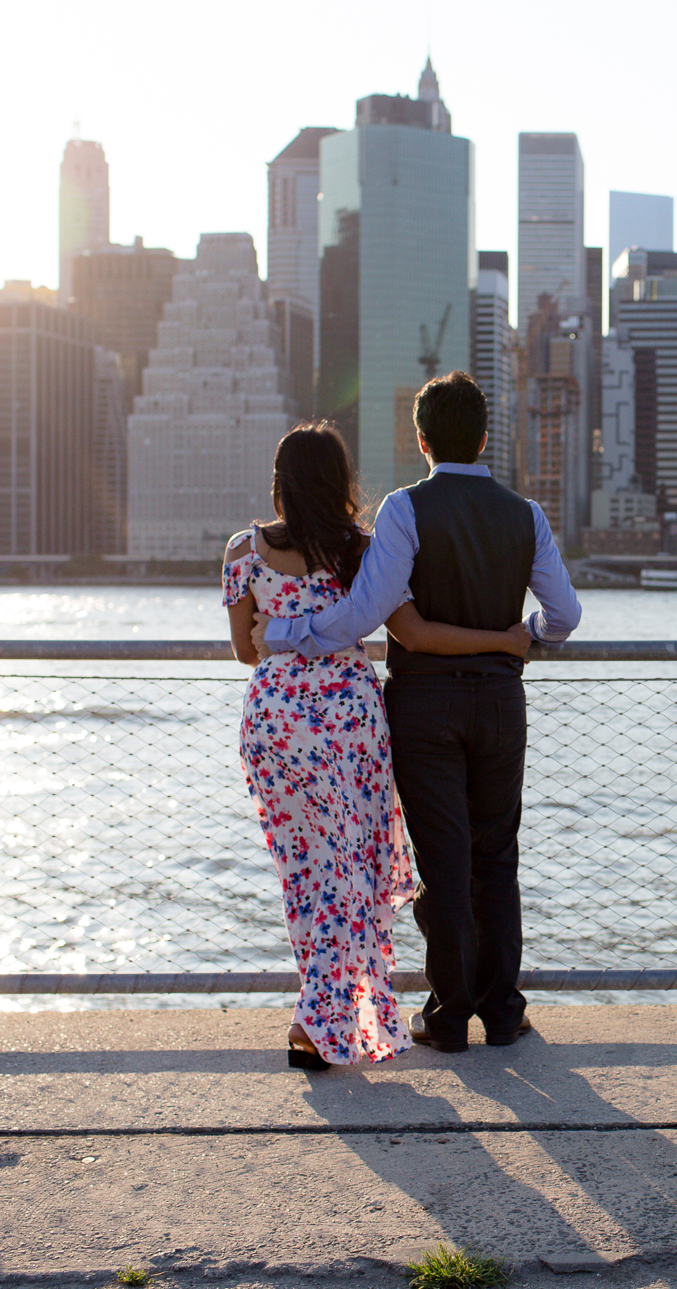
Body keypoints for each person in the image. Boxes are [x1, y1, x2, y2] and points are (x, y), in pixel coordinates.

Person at [254, 372, 581, 1053]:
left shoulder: (405, 509)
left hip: (425, 702)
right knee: (496, 855)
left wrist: (285, 637)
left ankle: (447, 1014)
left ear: (421, 439)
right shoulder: (527, 514)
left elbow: (367, 614)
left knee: (444, 858)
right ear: (486, 436)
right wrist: (526, 640)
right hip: (500, 700)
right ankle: (504, 1010)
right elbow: (566, 614)